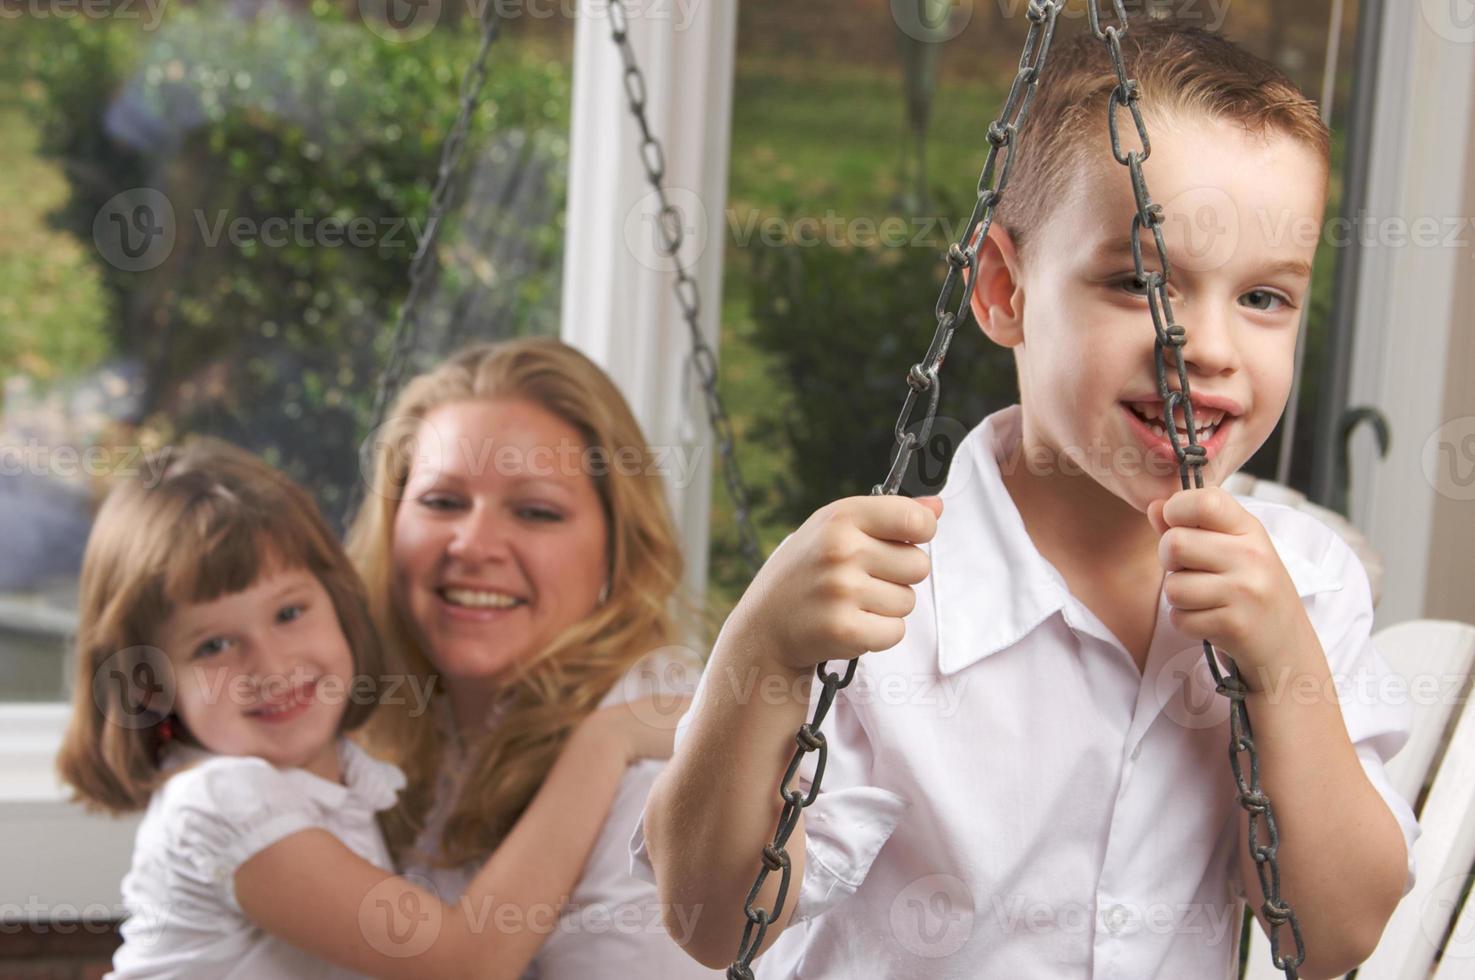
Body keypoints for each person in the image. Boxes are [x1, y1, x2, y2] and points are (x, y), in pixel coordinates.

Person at [634, 21, 1421, 980]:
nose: (1206, 347)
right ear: (1003, 289)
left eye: (1263, 298)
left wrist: (1281, 664)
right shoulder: (888, 604)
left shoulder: (1307, 586)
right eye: (1139, 282)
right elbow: (717, 924)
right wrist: (758, 654)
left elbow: (1333, 938)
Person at [57, 437, 677, 979]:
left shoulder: (347, 779)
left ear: (340, 601)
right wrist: (602, 745)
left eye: (289, 613)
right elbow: (466, 961)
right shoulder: (223, 801)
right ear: (148, 685)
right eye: (214, 645)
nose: (272, 668)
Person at [347, 337, 718, 978]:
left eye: (536, 511)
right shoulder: (380, 732)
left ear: (617, 550)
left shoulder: (657, 772)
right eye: (441, 501)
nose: (474, 544)